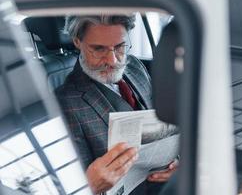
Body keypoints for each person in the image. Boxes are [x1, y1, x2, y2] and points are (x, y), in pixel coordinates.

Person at [55, 14, 177, 194]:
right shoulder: (65, 103)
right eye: (98, 49)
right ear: (77, 42)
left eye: (119, 47)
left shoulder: (134, 66)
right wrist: (90, 186)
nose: (112, 61)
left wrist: (177, 162)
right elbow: (72, 187)